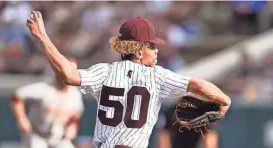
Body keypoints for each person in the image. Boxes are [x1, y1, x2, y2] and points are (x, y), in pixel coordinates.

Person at [26, 11, 231, 148]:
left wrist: (43, 38)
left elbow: (68, 75)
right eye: (152, 46)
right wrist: (224, 101)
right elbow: (199, 85)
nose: (156, 50)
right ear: (139, 51)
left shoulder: (104, 72)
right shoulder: (157, 76)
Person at [11, 58, 84, 148]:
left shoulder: (75, 95)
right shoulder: (44, 89)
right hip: (38, 135)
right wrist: (21, 118)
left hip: (59, 138)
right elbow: (17, 96)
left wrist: (72, 127)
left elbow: (75, 117)